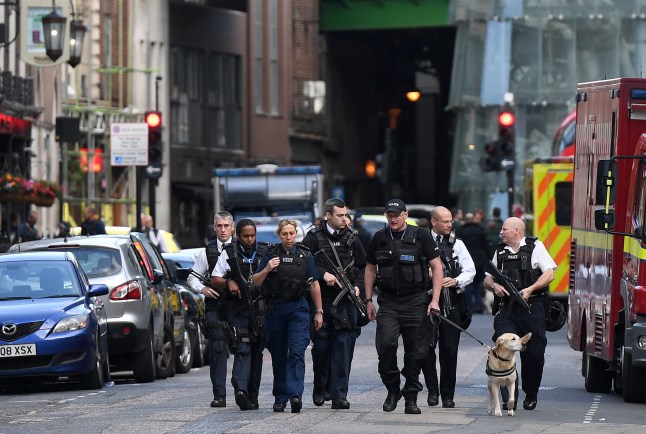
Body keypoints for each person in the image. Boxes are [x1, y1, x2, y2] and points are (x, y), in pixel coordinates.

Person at [363, 199, 443, 414]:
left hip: (415, 300)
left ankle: (411, 397)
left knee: (416, 353)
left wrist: (435, 299)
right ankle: (392, 388)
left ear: (405, 215)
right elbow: (370, 268)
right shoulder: (379, 238)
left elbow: (437, 267)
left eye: (397, 214)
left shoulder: (421, 236)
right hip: (388, 301)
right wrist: (368, 300)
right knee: (385, 346)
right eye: (390, 215)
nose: (393, 218)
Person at [483, 217, 557, 411]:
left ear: (517, 230)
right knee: (503, 346)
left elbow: (549, 274)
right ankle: (510, 398)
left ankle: (531, 394)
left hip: (532, 307)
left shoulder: (535, 247)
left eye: (504, 229)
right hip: (506, 309)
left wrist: (531, 288)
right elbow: (487, 280)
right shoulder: (500, 250)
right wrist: (495, 286)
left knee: (534, 354)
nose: (501, 232)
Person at [252, 218, 323, 413]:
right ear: (279, 235)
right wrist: (267, 268)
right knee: (279, 354)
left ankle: (295, 395)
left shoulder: (304, 254)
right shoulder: (271, 253)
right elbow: (256, 281)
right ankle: (280, 397)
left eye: (291, 233)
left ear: (296, 234)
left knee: (297, 351)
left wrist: (319, 311)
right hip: (275, 309)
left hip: (298, 309)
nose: (288, 237)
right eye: (285, 234)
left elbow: (315, 284)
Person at [301, 198, 366, 410]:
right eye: (340, 215)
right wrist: (323, 274)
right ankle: (321, 386)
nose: (345, 219)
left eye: (346, 215)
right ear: (328, 215)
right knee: (321, 347)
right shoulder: (313, 238)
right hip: (322, 300)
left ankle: (339, 395)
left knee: (342, 348)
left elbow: (364, 267)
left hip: (346, 301)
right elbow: (302, 264)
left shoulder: (353, 238)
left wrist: (357, 286)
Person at [211, 219, 269, 411]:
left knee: (256, 351)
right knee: (243, 347)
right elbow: (215, 278)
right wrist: (229, 282)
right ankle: (240, 390)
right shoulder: (229, 253)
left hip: (261, 309)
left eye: (253, 235)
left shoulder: (264, 252)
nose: (250, 239)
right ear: (238, 236)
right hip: (238, 309)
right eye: (246, 236)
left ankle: (253, 396)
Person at [422, 206, 475, 409]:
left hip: (450, 301)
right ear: (433, 222)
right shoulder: (420, 241)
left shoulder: (457, 244)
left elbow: (470, 270)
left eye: (451, 221)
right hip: (425, 301)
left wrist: (456, 280)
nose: (450, 224)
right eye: (446, 221)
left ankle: (447, 395)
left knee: (449, 349)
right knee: (426, 349)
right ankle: (433, 391)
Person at [187, 211, 235, 408]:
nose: (223, 230)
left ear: (232, 227)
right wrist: (203, 289)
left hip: (238, 305)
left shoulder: (240, 249)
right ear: (214, 228)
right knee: (217, 349)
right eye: (219, 226)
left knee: (245, 348)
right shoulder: (206, 252)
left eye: (226, 226)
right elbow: (192, 277)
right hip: (215, 304)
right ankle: (219, 395)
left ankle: (245, 391)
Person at [457, 212, 490, 314]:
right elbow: (485, 245)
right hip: (480, 259)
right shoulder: (480, 230)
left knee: (468, 285)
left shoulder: (461, 230)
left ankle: (470, 306)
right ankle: (478, 305)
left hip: (466, 259)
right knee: (478, 284)